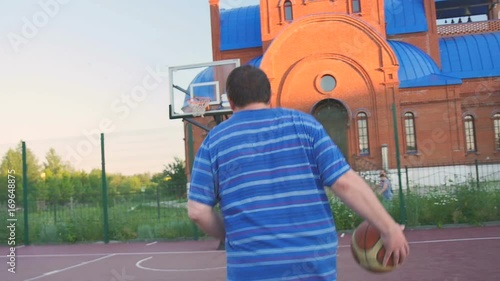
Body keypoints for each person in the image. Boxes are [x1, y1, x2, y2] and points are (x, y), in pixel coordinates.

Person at [187, 65, 409, 281]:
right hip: (311, 263)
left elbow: (197, 211)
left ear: (231, 101)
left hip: (252, 267)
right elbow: (344, 183)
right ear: (270, 96)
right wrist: (388, 227)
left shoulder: (214, 141)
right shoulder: (304, 125)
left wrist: (230, 235)